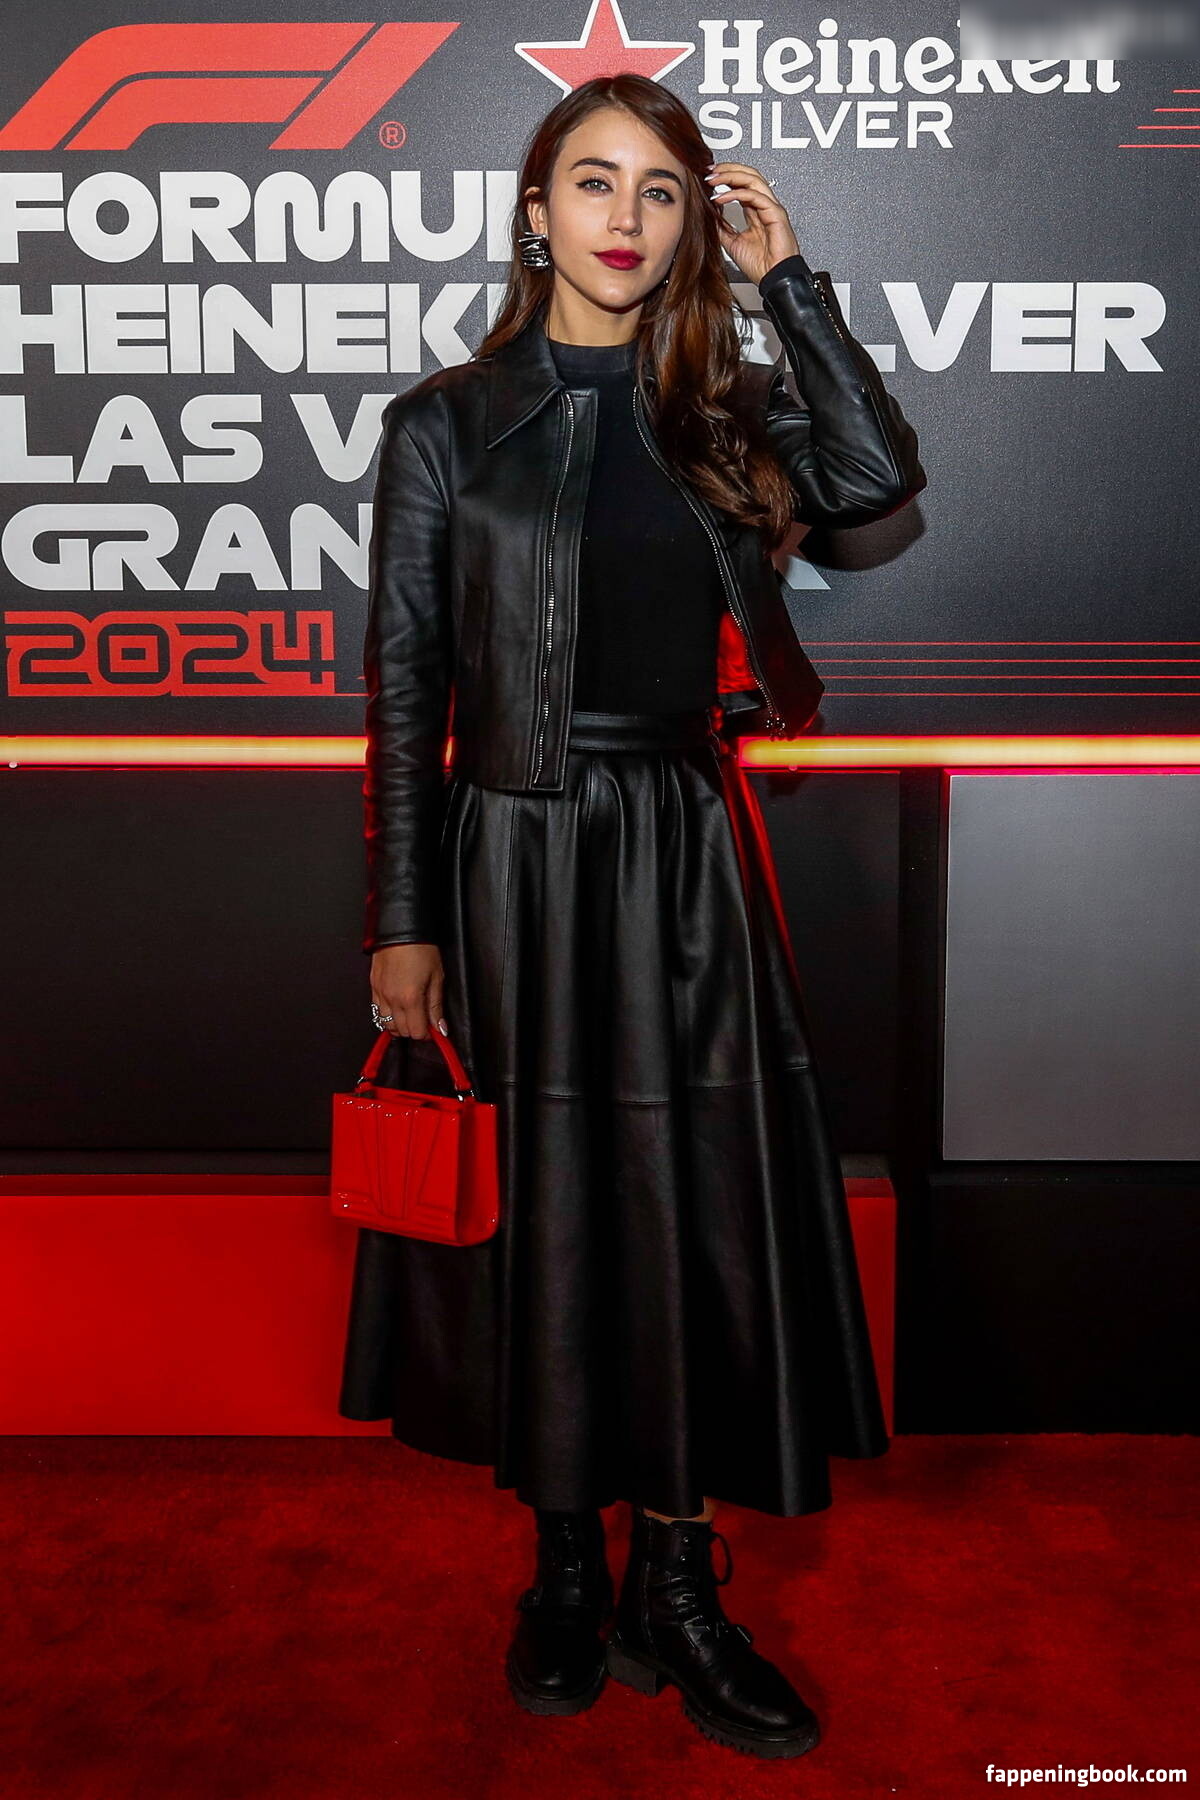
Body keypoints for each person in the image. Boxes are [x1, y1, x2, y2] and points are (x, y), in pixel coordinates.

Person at [338, 72, 927, 1760]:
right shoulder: (444, 425)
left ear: (691, 226)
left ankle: (680, 1582)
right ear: (536, 214)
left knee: (695, 1214)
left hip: (683, 849)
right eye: (593, 183)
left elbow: (875, 476)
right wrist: (402, 917)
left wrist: (788, 283)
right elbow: (403, 688)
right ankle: (562, 1572)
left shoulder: (723, 414)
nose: (626, 217)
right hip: (510, 855)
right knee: (549, 1211)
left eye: (661, 191)